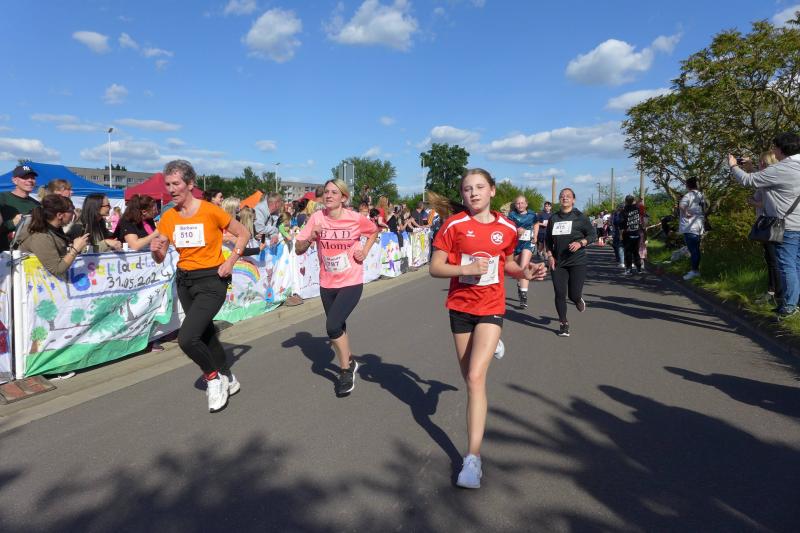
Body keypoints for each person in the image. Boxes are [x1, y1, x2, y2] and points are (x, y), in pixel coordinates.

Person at [429, 169, 546, 489]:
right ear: (463, 194)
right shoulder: (453, 225)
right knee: (467, 375)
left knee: (475, 378)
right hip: (460, 308)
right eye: (467, 189)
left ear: (492, 190)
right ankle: (491, 344)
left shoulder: (506, 227)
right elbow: (435, 267)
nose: (474, 193)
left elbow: (507, 263)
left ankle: (473, 458)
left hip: (491, 306)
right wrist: (465, 268)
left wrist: (526, 271)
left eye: (480, 187)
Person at [151, 160, 251, 413]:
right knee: (205, 334)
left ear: (190, 184)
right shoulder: (168, 216)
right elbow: (160, 256)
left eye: (176, 184)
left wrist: (231, 261)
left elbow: (243, 234)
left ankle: (213, 379)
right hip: (185, 281)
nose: (171, 189)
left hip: (212, 280)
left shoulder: (210, 211)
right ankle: (229, 377)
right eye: (168, 184)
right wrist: (155, 251)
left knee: (187, 338)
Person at [295, 179, 379, 396]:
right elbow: (298, 249)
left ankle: (345, 370)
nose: (329, 196)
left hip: (351, 281)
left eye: (334, 192)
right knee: (339, 325)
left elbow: (373, 231)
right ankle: (349, 359)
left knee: (332, 326)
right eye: (326, 192)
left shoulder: (355, 218)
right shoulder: (316, 218)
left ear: (343, 197)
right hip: (327, 282)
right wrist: (312, 236)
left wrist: (365, 251)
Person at [729, 133, 800, 317]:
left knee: (786, 266)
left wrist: (733, 165)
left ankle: (789, 306)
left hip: (787, 226)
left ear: (781, 149)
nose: (773, 151)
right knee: (796, 265)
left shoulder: (782, 168)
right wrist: (751, 167)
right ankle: (794, 302)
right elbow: (766, 180)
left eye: (775, 147)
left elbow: (747, 180)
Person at [545, 188, 595, 337]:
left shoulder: (580, 217)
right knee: (560, 293)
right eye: (562, 196)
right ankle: (563, 323)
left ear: (573, 200)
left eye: (568, 196)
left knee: (573, 294)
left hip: (577, 261)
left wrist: (581, 243)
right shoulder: (554, 218)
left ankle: (577, 299)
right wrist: (550, 256)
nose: (565, 198)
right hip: (558, 262)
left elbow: (592, 234)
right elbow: (548, 240)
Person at [19, 194, 89, 279]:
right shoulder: (40, 236)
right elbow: (57, 269)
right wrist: (75, 250)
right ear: (59, 215)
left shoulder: (55, 229)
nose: (74, 214)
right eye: (71, 210)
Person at [749, 151, 782, 307]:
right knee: (770, 259)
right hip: (767, 223)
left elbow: (768, 202)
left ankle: (778, 294)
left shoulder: (772, 178)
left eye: (763, 162)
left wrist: (753, 203)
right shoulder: (769, 177)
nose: (760, 165)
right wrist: (750, 167)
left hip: (772, 224)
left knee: (775, 261)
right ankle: (772, 291)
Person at [507, 195, 539, 309]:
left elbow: (536, 224)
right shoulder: (512, 215)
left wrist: (535, 235)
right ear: (515, 205)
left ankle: (523, 295)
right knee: (518, 268)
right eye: (518, 203)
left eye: (522, 203)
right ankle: (520, 283)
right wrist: (516, 231)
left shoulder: (532, 214)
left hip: (527, 243)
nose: (520, 205)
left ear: (526, 204)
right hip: (516, 244)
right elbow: (507, 228)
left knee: (524, 265)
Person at [0, 165, 41, 251]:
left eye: (32, 178)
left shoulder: (37, 205)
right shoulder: (2, 198)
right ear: (14, 180)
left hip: (28, 253)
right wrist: (12, 223)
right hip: (4, 253)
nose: (30, 180)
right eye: (25, 177)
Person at [678, 178, 705, 281]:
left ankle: (694, 271)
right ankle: (695, 270)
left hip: (689, 226)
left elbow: (681, 205)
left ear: (687, 185)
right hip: (699, 226)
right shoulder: (700, 195)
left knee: (693, 250)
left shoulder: (688, 195)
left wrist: (686, 213)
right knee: (696, 250)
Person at [620, 195, 643, 275]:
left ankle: (629, 269)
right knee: (636, 251)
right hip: (636, 232)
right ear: (633, 201)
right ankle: (639, 268)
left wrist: (622, 232)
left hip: (628, 233)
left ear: (626, 201)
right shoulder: (637, 209)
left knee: (628, 252)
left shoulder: (624, 211)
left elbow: (621, 223)